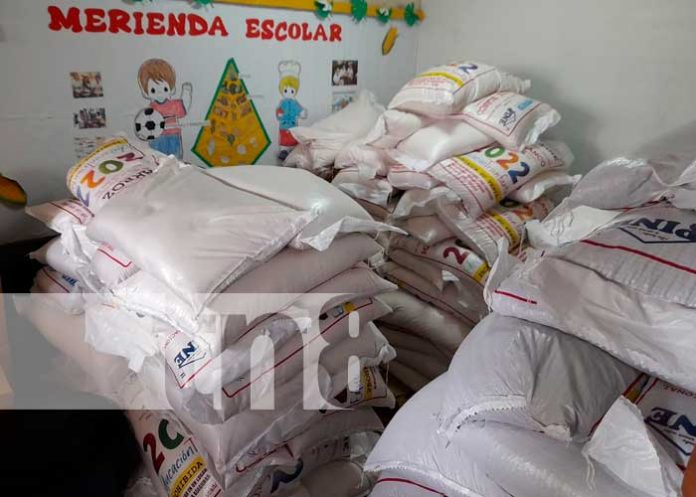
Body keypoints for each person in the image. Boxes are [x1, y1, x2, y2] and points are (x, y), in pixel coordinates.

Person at [137, 59, 192, 159]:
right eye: (153, 90)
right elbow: (143, 126)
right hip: (157, 138)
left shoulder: (174, 105)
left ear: (172, 88)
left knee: (175, 159)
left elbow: (184, 109)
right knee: (158, 160)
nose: (159, 93)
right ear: (145, 92)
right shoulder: (150, 110)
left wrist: (186, 92)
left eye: (165, 89)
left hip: (173, 137)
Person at [276, 61, 307, 161]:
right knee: (284, 139)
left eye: (292, 91)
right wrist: (279, 113)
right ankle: (284, 151)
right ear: (282, 89)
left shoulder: (294, 103)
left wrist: (301, 112)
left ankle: (293, 150)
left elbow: (299, 110)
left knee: (293, 138)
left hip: (293, 126)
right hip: (284, 126)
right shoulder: (282, 103)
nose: (289, 93)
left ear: (295, 91)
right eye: (286, 90)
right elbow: (279, 111)